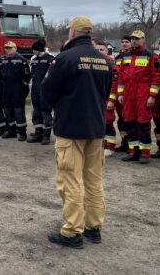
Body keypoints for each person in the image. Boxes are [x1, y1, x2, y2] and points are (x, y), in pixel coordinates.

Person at [42, 16, 111, 249]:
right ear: (89, 34)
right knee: (94, 180)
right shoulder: (105, 60)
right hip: (97, 128)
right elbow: (106, 91)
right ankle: (94, 227)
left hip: (71, 128)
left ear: (73, 32)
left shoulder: (64, 58)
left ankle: (72, 231)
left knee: (70, 180)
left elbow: (48, 92)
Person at [116, 30, 160, 164]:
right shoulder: (126, 56)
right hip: (129, 95)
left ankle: (144, 153)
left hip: (143, 94)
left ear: (143, 40)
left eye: (137, 39)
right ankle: (133, 151)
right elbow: (121, 76)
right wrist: (120, 93)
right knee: (129, 122)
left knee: (143, 124)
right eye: (132, 39)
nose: (134, 41)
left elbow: (157, 76)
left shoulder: (151, 56)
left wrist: (152, 96)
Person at [93, 38, 119, 157]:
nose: (99, 51)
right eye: (96, 49)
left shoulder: (111, 65)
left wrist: (112, 100)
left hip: (107, 99)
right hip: (96, 98)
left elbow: (115, 84)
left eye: (101, 49)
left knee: (107, 122)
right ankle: (100, 146)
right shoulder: (93, 63)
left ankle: (110, 147)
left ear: (107, 51)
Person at [1, 41, 31, 140]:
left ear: (15, 48)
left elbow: (27, 76)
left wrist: (23, 86)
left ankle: (22, 132)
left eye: (10, 48)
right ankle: (11, 131)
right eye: (6, 48)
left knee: (18, 111)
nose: (8, 49)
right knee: (8, 110)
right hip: (6, 89)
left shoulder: (22, 60)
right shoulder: (3, 60)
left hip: (17, 89)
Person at [28, 40, 54, 144]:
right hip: (35, 88)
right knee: (36, 110)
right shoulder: (33, 59)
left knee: (45, 111)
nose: (33, 51)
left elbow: (53, 76)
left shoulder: (50, 59)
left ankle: (46, 135)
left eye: (34, 49)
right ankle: (38, 132)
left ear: (38, 49)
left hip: (45, 89)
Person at [112, 36, 132, 152]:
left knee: (129, 119)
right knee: (121, 119)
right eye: (122, 42)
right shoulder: (118, 58)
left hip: (130, 92)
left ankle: (132, 143)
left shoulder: (134, 57)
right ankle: (125, 142)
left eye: (127, 42)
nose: (124, 44)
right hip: (120, 92)